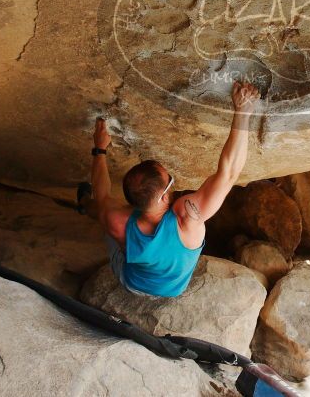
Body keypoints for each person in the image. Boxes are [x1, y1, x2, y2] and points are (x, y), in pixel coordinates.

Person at [78, 80, 261, 297]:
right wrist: (243, 111)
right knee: (104, 213)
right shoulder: (186, 218)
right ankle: (83, 206)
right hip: (174, 288)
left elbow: (102, 196)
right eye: (170, 180)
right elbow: (229, 173)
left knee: (99, 209)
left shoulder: (117, 220)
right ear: (164, 198)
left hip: (132, 281)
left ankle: (82, 205)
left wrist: (99, 149)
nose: (173, 180)